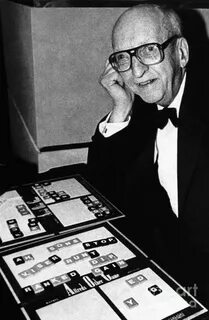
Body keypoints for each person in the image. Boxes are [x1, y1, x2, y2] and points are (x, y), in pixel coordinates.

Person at [87, 3, 209, 307]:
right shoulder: (138, 110)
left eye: (149, 51)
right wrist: (120, 107)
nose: (137, 71)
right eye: (124, 58)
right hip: (160, 280)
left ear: (181, 53)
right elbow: (101, 194)